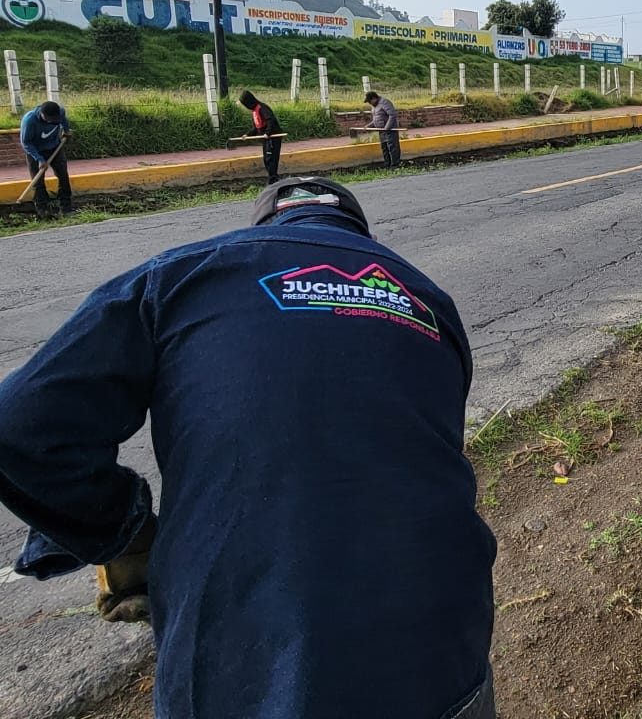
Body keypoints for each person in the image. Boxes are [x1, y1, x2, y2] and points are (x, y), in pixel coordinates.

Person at [0, 177, 497, 719]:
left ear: (264, 229)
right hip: (439, 646)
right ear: (358, 233)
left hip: (238, 669)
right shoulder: (427, 298)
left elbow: (18, 424)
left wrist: (123, 530)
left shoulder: (179, 275)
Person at [19, 99, 72, 218]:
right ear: (42, 114)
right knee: (38, 181)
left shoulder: (60, 113)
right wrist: (39, 159)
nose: (54, 122)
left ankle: (66, 208)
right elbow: (26, 143)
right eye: (51, 120)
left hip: (54, 148)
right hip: (35, 151)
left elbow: (64, 122)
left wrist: (66, 131)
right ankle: (43, 210)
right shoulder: (30, 121)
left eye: (56, 119)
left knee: (63, 176)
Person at [237, 90, 284, 183]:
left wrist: (268, 132)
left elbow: (271, 120)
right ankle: (272, 178)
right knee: (266, 159)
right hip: (266, 138)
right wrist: (247, 135)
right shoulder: (255, 111)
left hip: (273, 137)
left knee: (271, 158)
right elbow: (256, 127)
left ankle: (273, 179)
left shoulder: (262, 108)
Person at [365, 90, 401, 170]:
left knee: (392, 148)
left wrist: (387, 128)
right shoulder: (374, 106)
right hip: (381, 131)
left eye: (370, 101)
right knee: (385, 148)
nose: (369, 103)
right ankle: (387, 164)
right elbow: (376, 119)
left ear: (374, 98)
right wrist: (369, 126)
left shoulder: (385, 103)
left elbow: (392, 115)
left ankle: (395, 165)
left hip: (390, 130)